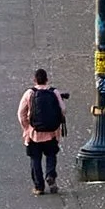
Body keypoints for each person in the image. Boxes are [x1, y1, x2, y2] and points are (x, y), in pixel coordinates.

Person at [17, 66, 66, 194]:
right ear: (47, 79)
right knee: (51, 155)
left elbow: (21, 113)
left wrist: (27, 128)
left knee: (35, 160)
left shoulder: (30, 93)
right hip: (51, 133)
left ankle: (39, 187)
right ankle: (50, 175)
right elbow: (63, 109)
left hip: (34, 133)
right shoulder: (54, 92)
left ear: (35, 80)